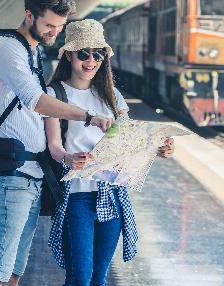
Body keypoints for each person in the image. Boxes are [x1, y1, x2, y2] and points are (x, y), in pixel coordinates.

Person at [0, 0, 113, 286]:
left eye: (60, 25)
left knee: (13, 273)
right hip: (9, 177)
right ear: (29, 15)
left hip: (29, 176)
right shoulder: (8, 50)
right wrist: (89, 117)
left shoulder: (31, 52)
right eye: (50, 25)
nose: (55, 32)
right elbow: (36, 101)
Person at [45, 19, 175, 286]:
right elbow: (54, 147)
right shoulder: (54, 94)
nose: (90, 61)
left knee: (98, 279)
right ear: (69, 55)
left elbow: (130, 142)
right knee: (80, 277)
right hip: (76, 196)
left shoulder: (112, 96)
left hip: (112, 194)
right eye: (83, 53)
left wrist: (159, 148)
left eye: (98, 54)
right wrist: (69, 158)